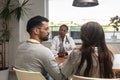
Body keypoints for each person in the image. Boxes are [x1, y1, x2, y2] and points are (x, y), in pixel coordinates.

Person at [14, 15, 66, 80]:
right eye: (46, 29)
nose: (48, 32)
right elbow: (60, 78)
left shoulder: (20, 48)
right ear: (36, 31)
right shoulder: (45, 52)